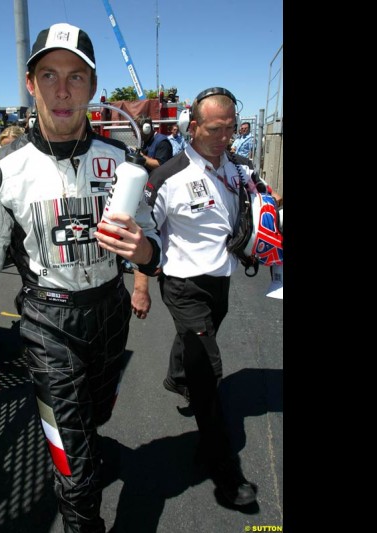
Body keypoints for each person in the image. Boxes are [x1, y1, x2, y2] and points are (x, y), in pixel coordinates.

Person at [0, 22, 161, 533]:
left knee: (94, 419)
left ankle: (89, 450)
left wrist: (144, 255)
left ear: (92, 87)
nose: (63, 90)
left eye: (76, 77)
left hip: (110, 312)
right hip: (47, 321)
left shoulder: (122, 162)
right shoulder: (3, 170)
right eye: (49, 75)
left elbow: (154, 237)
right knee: (71, 462)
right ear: (30, 83)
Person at [131, 87, 258, 507]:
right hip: (183, 285)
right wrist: (142, 286)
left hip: (221, 280)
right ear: (194, 126)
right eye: (216, 129)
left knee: (193, 345)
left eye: (232, 128)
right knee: (209, 371)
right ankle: (225, 474)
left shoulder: (239, 169)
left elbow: (255, 207)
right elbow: (143, 233)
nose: (225, 136)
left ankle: (176, 377)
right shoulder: (168, 175)